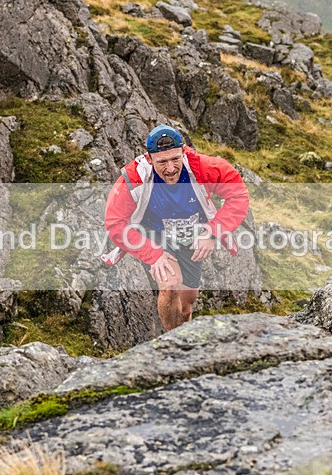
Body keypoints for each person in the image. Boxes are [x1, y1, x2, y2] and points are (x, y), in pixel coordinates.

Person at [102, 124, 249, 331]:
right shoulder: (134, 178)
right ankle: (170, 345)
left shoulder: (202, 168)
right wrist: (152, 254)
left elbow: (238, 194)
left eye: (175, 159)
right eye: (162, 162)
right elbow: (115, 223)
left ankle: (184, 337)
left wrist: (213, 232)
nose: (170, 169)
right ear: (150, 159)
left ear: (184, 153)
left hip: (191, 236)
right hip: (154, 235)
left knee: (187, 305)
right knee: (170, 284)